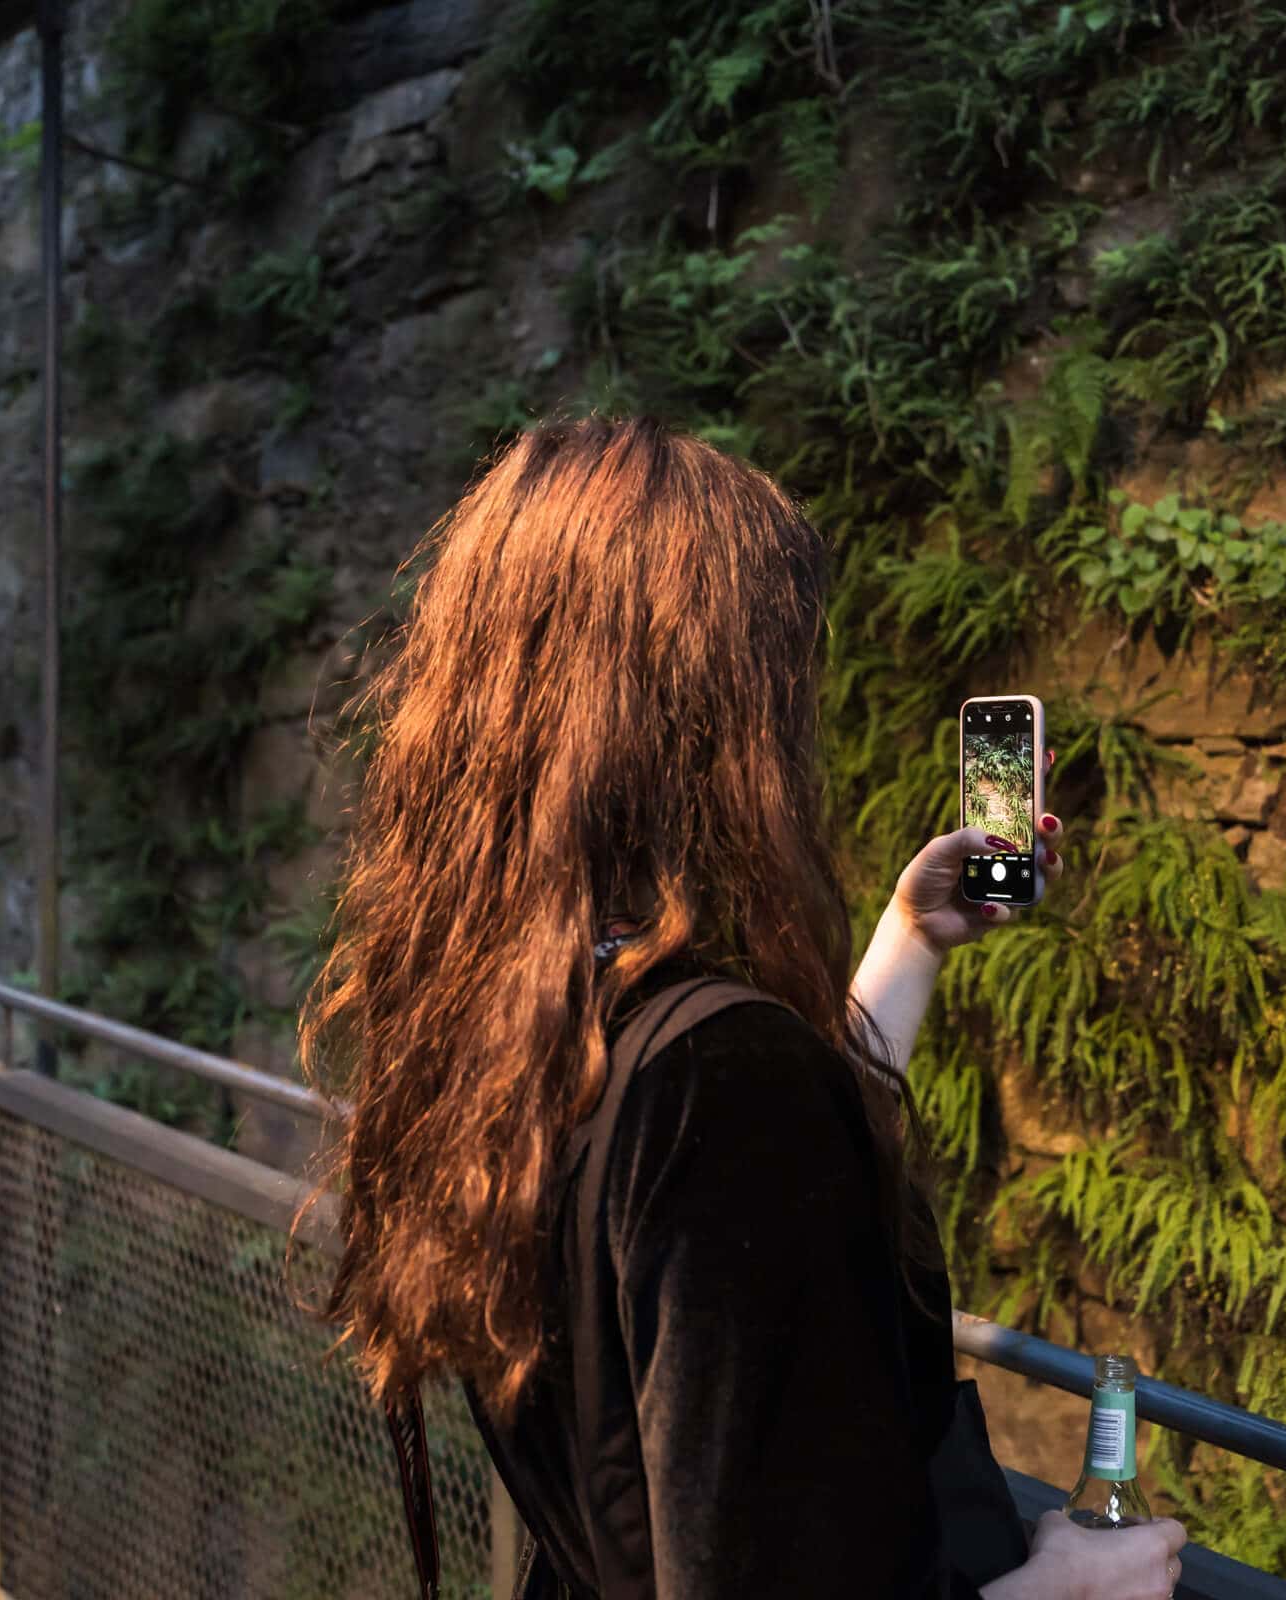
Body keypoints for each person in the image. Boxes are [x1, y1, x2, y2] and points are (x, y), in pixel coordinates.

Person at [296, 416, 1188, 1600]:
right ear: (710, 710)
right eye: (777, 671)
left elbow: (725, 1241)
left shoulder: (514, 1028)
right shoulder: (717, 1078)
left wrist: (907, 944)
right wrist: (1073, 1586)